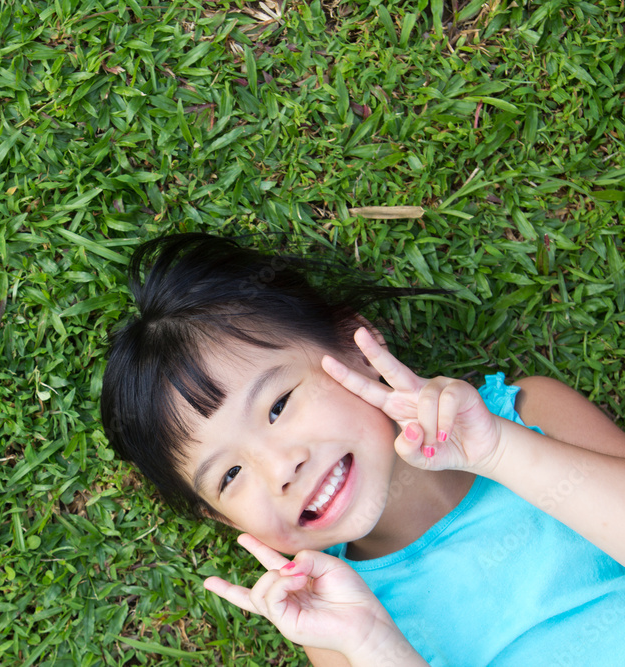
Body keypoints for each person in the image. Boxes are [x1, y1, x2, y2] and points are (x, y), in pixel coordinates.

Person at [100, 233, 625, 666]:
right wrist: (373, 643)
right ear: (220, 517)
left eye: (278, 406)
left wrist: (500, 452)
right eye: (230, 475)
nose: (280, 468)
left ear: (357, 346)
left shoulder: (527, 416)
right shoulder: (333, 619)